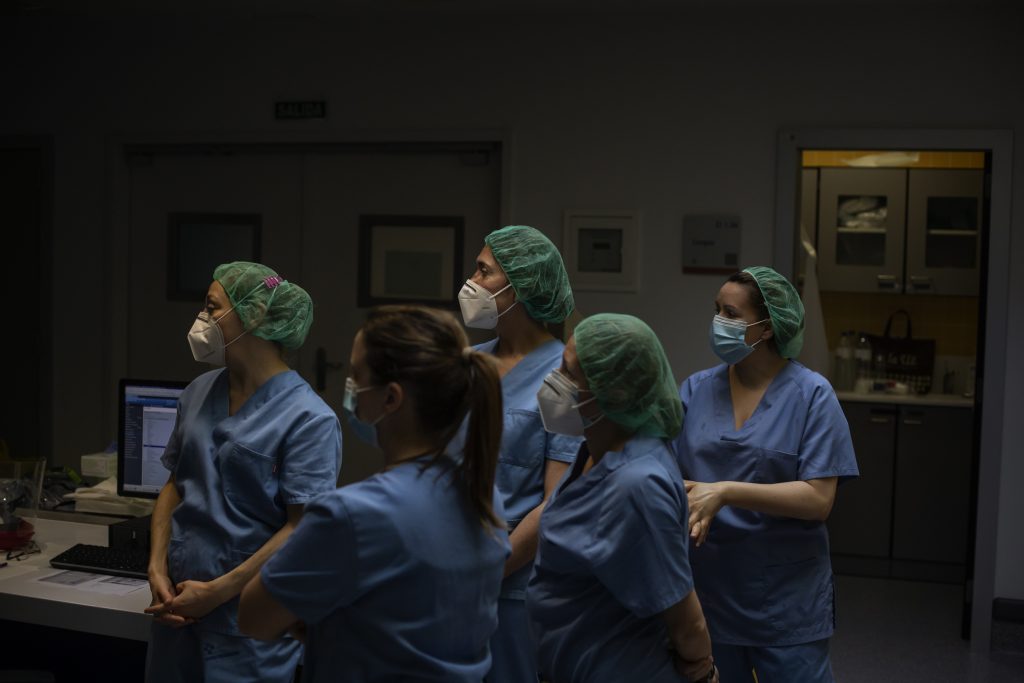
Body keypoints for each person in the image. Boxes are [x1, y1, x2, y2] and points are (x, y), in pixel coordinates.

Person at [238, 305, 510, 681]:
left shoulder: (352, 515)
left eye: (355, 376)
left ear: (391, 399)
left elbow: (253, 618)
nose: (349, 388)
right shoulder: (483, 498)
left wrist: (317, 619)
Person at [145, 262, 342, 683]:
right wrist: (157, 568)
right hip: (176, 610)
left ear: (252, 316)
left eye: (212, 307)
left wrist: (216, 592)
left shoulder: (309, 419)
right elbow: (175, 485)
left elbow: (302, 529)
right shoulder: (200, 391)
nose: (203, 319)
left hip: (248, 622)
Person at [673, 267, 859, 683]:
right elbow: (666, 475)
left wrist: (727, 491)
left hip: (785, 599)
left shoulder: (812, 396)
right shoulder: (694, 390)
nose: (718, 321)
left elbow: (818, 501)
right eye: (716, 310)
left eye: (731, 313)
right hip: (710, 592)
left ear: (768, 327)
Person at [526, 313, 717, 683]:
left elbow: (685, 618)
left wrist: (703, 669)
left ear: (611, 392)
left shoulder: (637, 484)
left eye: (568, 373)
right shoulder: (595, 451)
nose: (554, 382)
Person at [453, 224, 582, 683]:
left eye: (483, 271)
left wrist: (486, 573)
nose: (471, 280)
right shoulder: (468, 364)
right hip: (448, 572)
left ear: (521, 288)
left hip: (512, 586)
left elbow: (556, 503)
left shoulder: (563, 377)